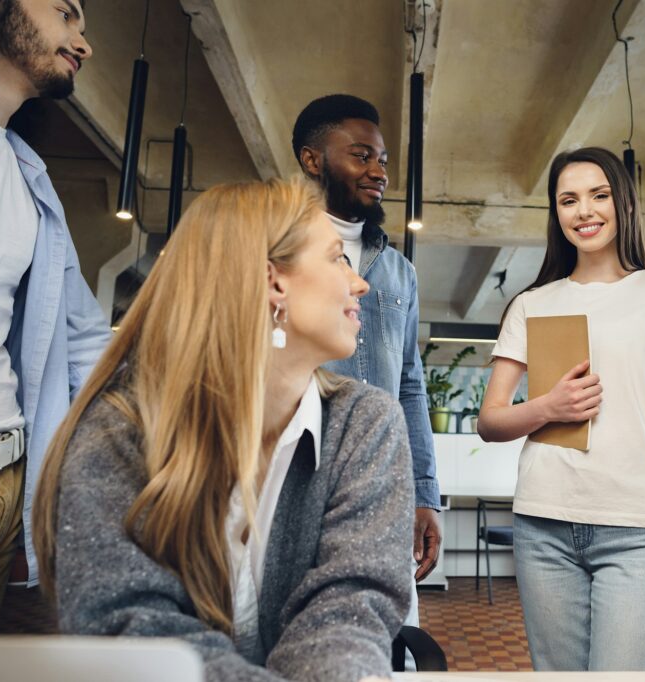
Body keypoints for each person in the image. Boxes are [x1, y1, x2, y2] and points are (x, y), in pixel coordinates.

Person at [32, 178, 414, 682]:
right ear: (273, 281)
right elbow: (133, 629)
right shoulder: (119, 431)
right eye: (336, 258)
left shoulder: (367, 423)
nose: (360, 283)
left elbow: (348, 610)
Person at [478, 146, 645, 671]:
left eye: (598, 195)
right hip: (542, 524)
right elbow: (490, 421)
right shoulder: (532, 302)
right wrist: (547, 406)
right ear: (556, 214)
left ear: (624, 203)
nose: (584, 211)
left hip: (640, 529)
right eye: (568, 200)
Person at [0, 0, 110, 631]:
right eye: (68, 14)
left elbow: (86, 338)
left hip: (3, 490)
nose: (82, 44)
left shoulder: (30, 175)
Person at [292, 95, 441, 636]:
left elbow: (410, 386)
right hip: (299, 483)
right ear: (314, 160)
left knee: (385, 640)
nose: (378, 172)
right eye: (361, 156)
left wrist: (425, 494)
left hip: (385, 485)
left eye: (381, 160)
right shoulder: (277, 248)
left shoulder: (398, 271)